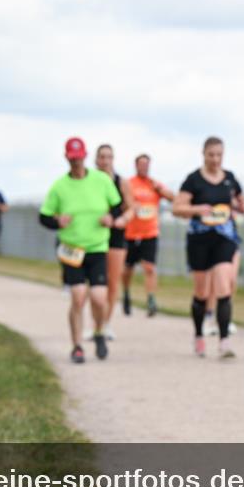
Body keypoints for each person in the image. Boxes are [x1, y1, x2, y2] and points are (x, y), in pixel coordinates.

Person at [39, 137, 122, 363]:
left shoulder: (101, 180)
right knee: (77, 297)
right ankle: (76, 346)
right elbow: (44, 217)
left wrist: (110, 217)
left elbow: (117, 205)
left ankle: (98, 331)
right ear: (67, 157)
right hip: (71, 249)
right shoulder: (59, 186)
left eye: (79, 157)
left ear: (85, 157)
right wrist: (57, 222)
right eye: (72, 158)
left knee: (98, 297)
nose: (76, 162)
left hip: (97, 246)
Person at [172, 136, 244, 359]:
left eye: (219, 155)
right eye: (211, 155)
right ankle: (198, 335)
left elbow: (241, 202)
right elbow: (177, 208)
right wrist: (197, 210)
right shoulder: (193, 180)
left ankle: (224, 342)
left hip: (224, 237)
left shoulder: (230, 178)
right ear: (203, 154)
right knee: (202, 292)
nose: (215, 159)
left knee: (224, 285)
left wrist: (239, 207)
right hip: (199, 240)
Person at [122, 153, 174, 318]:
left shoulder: (154, 184)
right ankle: (126, 294)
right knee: (128, 268)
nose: (144, 167)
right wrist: (131, 206)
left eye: (146, 165)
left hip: (150, 232)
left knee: (149, 268)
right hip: (131, 233)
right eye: (141, 164)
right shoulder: (129, 184)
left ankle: (151, 300)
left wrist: (160, 189)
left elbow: (173, 198)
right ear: (136, 165)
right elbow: (122, 205)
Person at [93, 144, 134, 340]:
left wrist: (122, 220)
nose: (105, 160)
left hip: (116, 236)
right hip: (93, 235)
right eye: (101, 157)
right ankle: (96, 324)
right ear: (95, 160)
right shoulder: (89, 181)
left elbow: (131, 208)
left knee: (112, 282)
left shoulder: (121, 182)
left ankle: (105, 324)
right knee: (94, 284)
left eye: (108, 157)